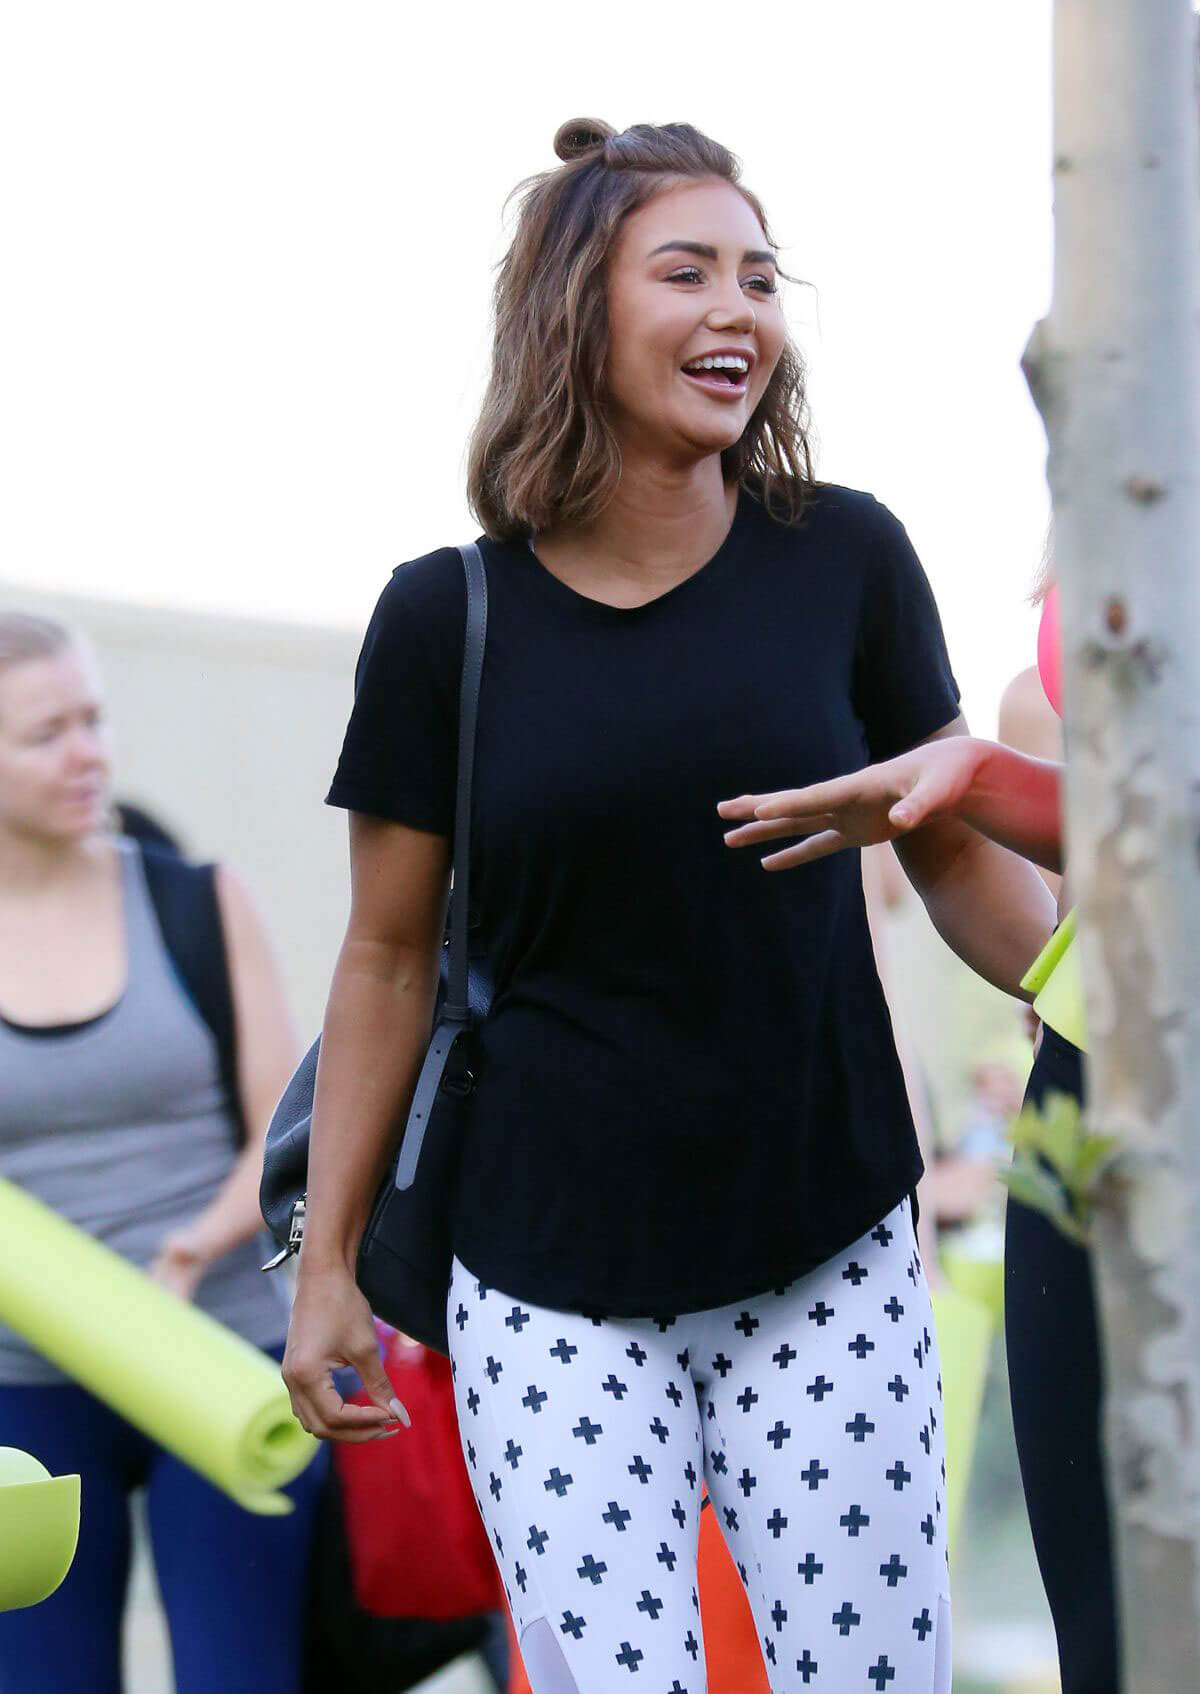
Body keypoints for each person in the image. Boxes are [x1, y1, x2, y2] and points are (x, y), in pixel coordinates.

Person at [282, 118, 1055, 1693]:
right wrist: (328, 1267)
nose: (739, 313)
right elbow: (380, 956)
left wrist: (1100, 1003)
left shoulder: (846, 558)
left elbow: (956, 860)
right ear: (577, 310)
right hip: (547, 1272)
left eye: (760, 278)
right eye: (687, 271)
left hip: (825, 1243)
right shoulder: (448, 617)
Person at [720, 587, 1114, 1690]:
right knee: (1110, 1635)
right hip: (1091, 1092)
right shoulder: (1103, 507)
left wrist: (980, 780)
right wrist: (970, 792)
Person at [0, 612, 323, 1694]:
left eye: (93, 719)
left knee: (240, 1674)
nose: (87, 752)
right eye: (45, 735)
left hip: (221, 1352)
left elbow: (284, 1124)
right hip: (26, 1380)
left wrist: (189, 1252)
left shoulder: (193, 896)